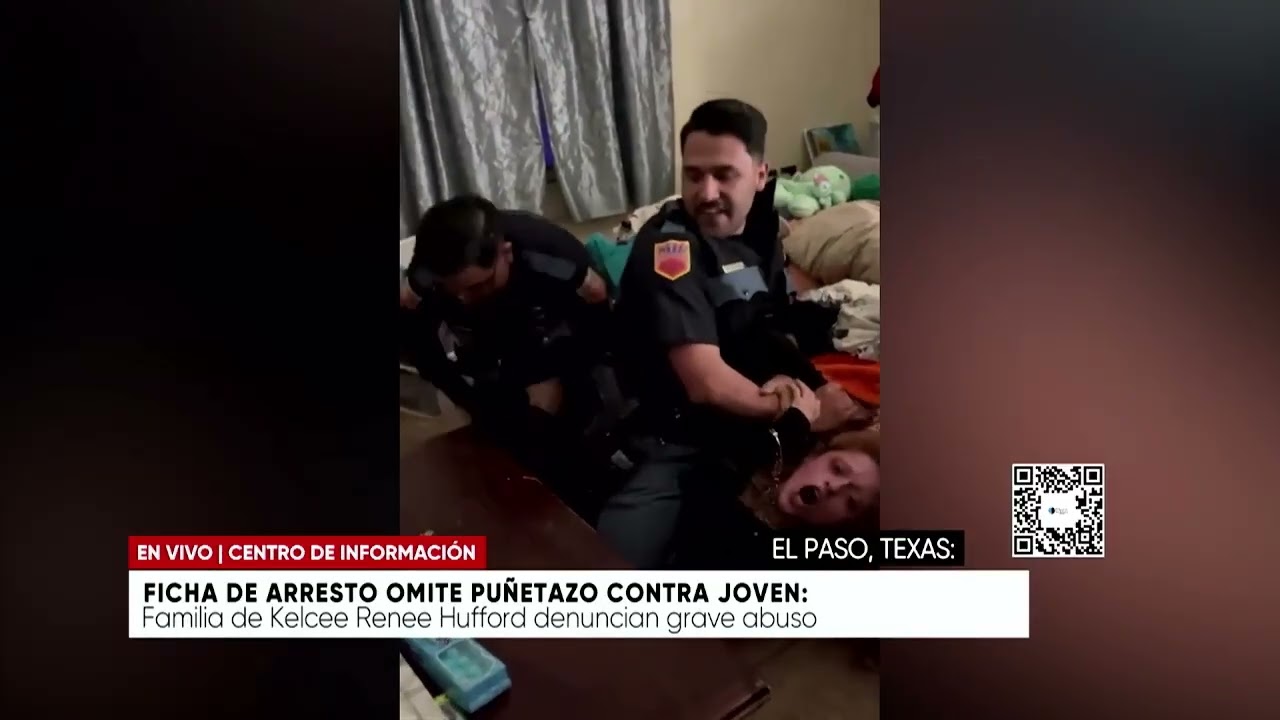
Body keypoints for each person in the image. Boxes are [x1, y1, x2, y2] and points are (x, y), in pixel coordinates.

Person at [602, 99, 858, 567]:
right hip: (675, 431)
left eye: (724, 175)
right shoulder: (671, 249)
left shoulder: (761, 230)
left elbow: (767, 323)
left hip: (745, 412)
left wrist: (816, 385)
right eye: (693, 175)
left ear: (761, 175)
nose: (707, 192)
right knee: (611, 563)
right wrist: (801, 415)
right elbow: (707, 384)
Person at [400, 194, 623, 516]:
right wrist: (468, 399)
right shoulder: (426, 277)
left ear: (506, 253)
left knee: (570, 439)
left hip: (553, 340)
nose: (463, 299)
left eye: (477, 286)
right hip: (485, 348)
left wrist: (557, 376)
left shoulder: (552, 256)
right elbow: (423, 350)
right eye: (455, 290)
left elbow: (599, 327)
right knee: (493, 454)